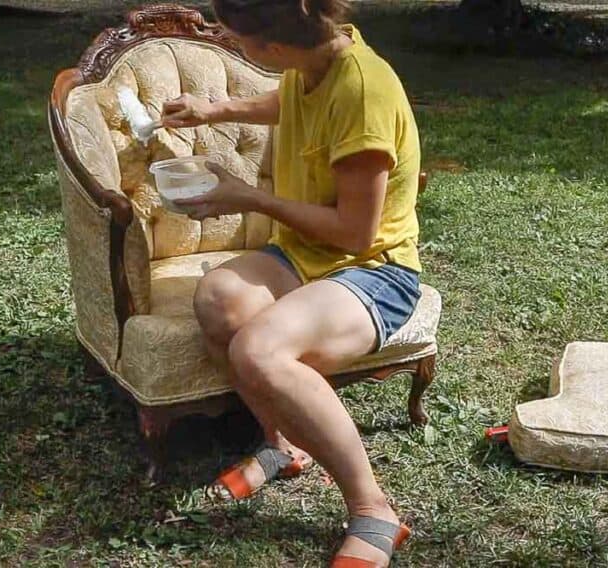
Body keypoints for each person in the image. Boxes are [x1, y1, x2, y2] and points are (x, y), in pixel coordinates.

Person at [161, 1, 422, 565]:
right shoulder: (313, 62)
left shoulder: (363, 93)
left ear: (272, 47)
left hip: (375, 270)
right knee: (218, 301)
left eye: (235, 37)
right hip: (306, 254)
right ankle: (282, 447)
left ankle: (373, 508)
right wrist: (215, 109)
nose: (230, 43)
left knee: (259, 350)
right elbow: (290, 104)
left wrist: (247, 195)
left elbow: (357, 234)